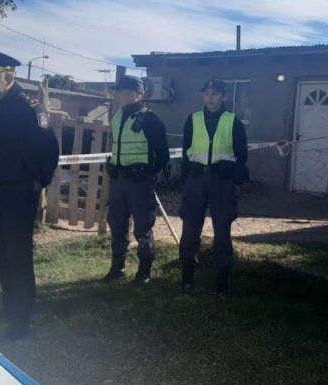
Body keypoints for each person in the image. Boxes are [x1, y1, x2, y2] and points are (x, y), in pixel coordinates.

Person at [0, 49, 59, 339]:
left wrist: (37, 184)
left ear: (9, 77)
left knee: (18, 254)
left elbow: (49, 151)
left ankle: (21, 319)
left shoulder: (29, 108)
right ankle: (9, 306)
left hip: (20, 191)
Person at [179, 78, 249, 294]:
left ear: (224, 97)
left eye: (215, 94)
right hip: (197, 181)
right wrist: (187, 178)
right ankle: (187, 279)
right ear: (203, 96)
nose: (211, 98)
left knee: (222, 233)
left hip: (221, 183)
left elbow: (241, 154)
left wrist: (232, 173)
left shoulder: (233, 121)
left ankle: (222, 283)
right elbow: (185, 152)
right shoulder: (193, 119)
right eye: (207, 93)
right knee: (190, 231)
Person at [101, 75, 170, 285]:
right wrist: (111, 164)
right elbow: (117, 147)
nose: (116, 95)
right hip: (118, 182)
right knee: (117, 226)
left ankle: (144, 273)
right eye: (116, 91)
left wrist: (147, 172)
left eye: (120, 91)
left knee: (142, 228)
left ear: (135, 94)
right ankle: (117, 269)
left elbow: (163, 155)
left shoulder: (150, 119)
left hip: (139, 184)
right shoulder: (116, 115)